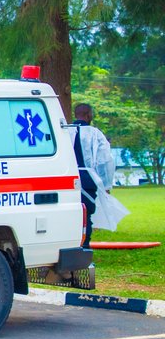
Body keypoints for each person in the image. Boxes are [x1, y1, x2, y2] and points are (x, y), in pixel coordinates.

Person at [71, 103, 115, 247]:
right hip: (87, 179)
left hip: (67, 178)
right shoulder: (95, 134)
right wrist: (106, 184)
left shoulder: (64, 131)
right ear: (89, 115)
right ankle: (84, 247)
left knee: (71, 214)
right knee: (86, 215)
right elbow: (105, 160)